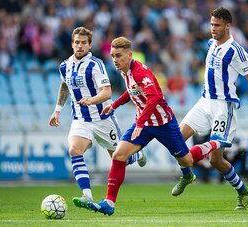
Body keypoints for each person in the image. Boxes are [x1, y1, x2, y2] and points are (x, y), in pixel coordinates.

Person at [86, 36, 232, 216]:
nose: (115, 60)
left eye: (118, 56)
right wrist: (115, 104)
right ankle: (109, 203)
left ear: (129, 55)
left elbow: (154, 97)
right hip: (145, 123)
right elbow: (132, 91)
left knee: (187, 161)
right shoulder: (126, 71)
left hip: (163, 123)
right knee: (119, 155)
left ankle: (215, 143)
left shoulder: (140, 72)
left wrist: (140, 122)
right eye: (113, 56)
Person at [174, 7, 248, 210]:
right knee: (176, 139)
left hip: (222, 106)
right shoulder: (211, 44)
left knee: (215, 160)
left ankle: (243, 191)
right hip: (204, 102)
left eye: (217, 25)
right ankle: (187, 175)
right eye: (211, 24)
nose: (213, 28)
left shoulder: (236, 51)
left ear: (228, 26)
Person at [48, 27, 147, 211]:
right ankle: (87, 196)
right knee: (74, 150)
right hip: (80, 119)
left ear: (89, 45)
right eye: (77, 42)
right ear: (72, 44)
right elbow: (64, 85)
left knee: (120, 158)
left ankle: (136, 155)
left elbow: (107, 92)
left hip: (102, 119)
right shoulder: (65, 65)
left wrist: (91, 101)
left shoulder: (96, 64)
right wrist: (57, 110)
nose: (80, 46)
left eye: (83, 43)